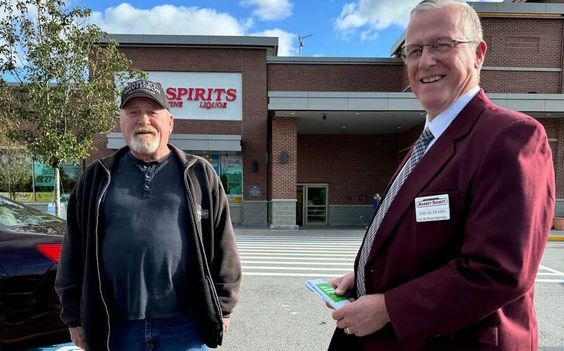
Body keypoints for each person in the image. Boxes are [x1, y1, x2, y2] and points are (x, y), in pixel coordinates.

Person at [328, 1, 555, 350]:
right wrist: (365, 281)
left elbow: (498, 272)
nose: (425, 61)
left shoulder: (512, 137)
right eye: (414, 50)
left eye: (441, 45)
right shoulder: (426, 144)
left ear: (479, 53)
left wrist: (389, 307)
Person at [55, 79, 241, 351]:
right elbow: (73, 249)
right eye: (133, 112)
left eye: (153, 112)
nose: (143, 119)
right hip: (115, 325)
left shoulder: (199, 174)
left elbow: (224, 244)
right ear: (122, 121)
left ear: (170, 122)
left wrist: (223, 307)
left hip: (185, 324)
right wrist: (73, 317)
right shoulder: (96, 177)